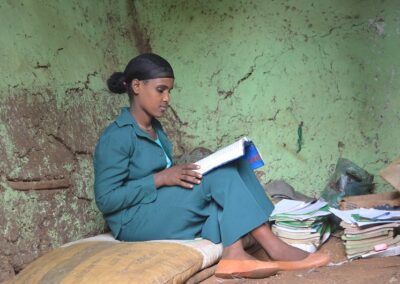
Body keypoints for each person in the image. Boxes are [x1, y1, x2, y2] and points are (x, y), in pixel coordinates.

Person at [93, 53, 330, 279]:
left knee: (235, 166)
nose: (167, 98)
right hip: (133, 221)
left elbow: (166, 179)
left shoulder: (157, 129)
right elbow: (106, 199)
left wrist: (179, 174)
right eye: (160, 90)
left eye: (169, 91)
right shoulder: (118, 136)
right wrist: (161, 178)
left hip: (155, 206)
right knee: (221, 178)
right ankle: (272, 248)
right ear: (136, 86)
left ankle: (235, 253)